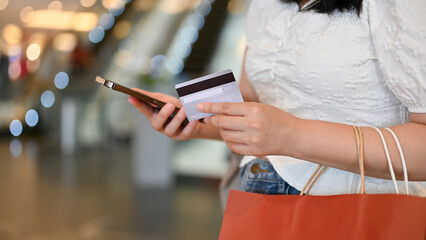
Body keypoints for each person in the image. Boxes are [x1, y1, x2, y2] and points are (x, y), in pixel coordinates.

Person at [129, 0, 426, 197]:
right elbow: (251, 100)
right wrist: (193, 113)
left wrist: (291, 135)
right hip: (256, 197)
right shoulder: (265, 4)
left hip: (355, 211)